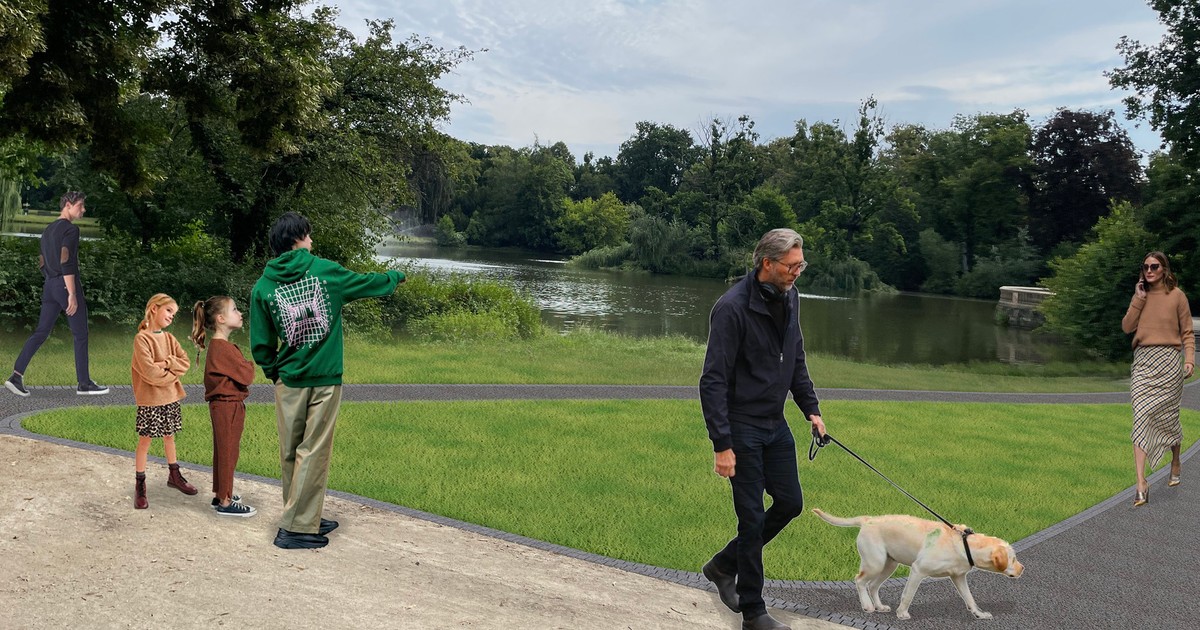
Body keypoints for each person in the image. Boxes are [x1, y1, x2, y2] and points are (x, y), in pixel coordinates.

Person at [250, 212, 405, 549]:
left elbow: (261, 344)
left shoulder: (263, 287)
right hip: (323, 378)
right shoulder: (325, 271)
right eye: (308, 235)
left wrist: (272, 370)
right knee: (314, 450)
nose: (311, 241)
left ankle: (307, 515)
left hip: (288, 379)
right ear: (299, 238)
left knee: (292, 450)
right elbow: (366, 283)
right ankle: (296, 529)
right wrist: (394, 276)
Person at [698, 228, 827, 630]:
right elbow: (712, 380)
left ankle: (722, 564)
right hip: (741, 427)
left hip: (775, 424)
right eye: (791, 266)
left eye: (800, 265)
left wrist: (811, 409)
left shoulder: (790, 297)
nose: (797, 273)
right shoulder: (732, 308)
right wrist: (722, 444)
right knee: (751, 518)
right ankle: (753, 612)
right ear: (766, 263)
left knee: (790, 503)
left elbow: (795, 356)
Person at [4, 191, 108, 397]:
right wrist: (71, 293)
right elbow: (66, 259)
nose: (83, 209)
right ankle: (84, 384)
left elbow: (42, 261)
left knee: (41, 332)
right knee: (80, 335)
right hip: (65, 284)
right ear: (68, 205)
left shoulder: (48, 230)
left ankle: (16, 376)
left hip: (50, 284)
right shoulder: (71, 230)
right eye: (80, 205)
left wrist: (51, 280)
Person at [1121, 251, 1195, 507]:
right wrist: (1138, 299)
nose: (1149, 271)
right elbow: (1127, 327)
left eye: (1154, 266)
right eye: (1145, 267)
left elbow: (1187, 331)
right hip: (1143, 362)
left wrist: (1189, 359)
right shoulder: (1140, 296)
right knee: (1140, 415)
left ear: (1164, 269)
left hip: (1169, 363)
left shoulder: (1177, 296)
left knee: (1168, 419)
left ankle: (1176, 460)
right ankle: (1141, 482)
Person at [191, 296, 257, 518]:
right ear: (220, 318)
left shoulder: (218, 346)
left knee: (223, 449)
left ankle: (221, 493)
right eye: (234, 310)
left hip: (224, 406)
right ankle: (226, 502)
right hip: (228, 406)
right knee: (228, 451)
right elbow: (247, 375)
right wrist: (249, 363)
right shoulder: (223, 348)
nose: (240, 313)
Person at [131, 293, 197, 509]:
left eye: (174, 314)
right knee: (146, 440)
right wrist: (173, 373)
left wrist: (166, 362)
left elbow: (185, 362)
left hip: (170, 398)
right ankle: (140, 485)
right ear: (154, 309)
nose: (171, 317)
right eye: (169, 311)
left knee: (169, 436)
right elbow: (149, 372)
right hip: (150, 400)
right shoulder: (142, 339)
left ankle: (174, 476)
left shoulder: (169, 338)